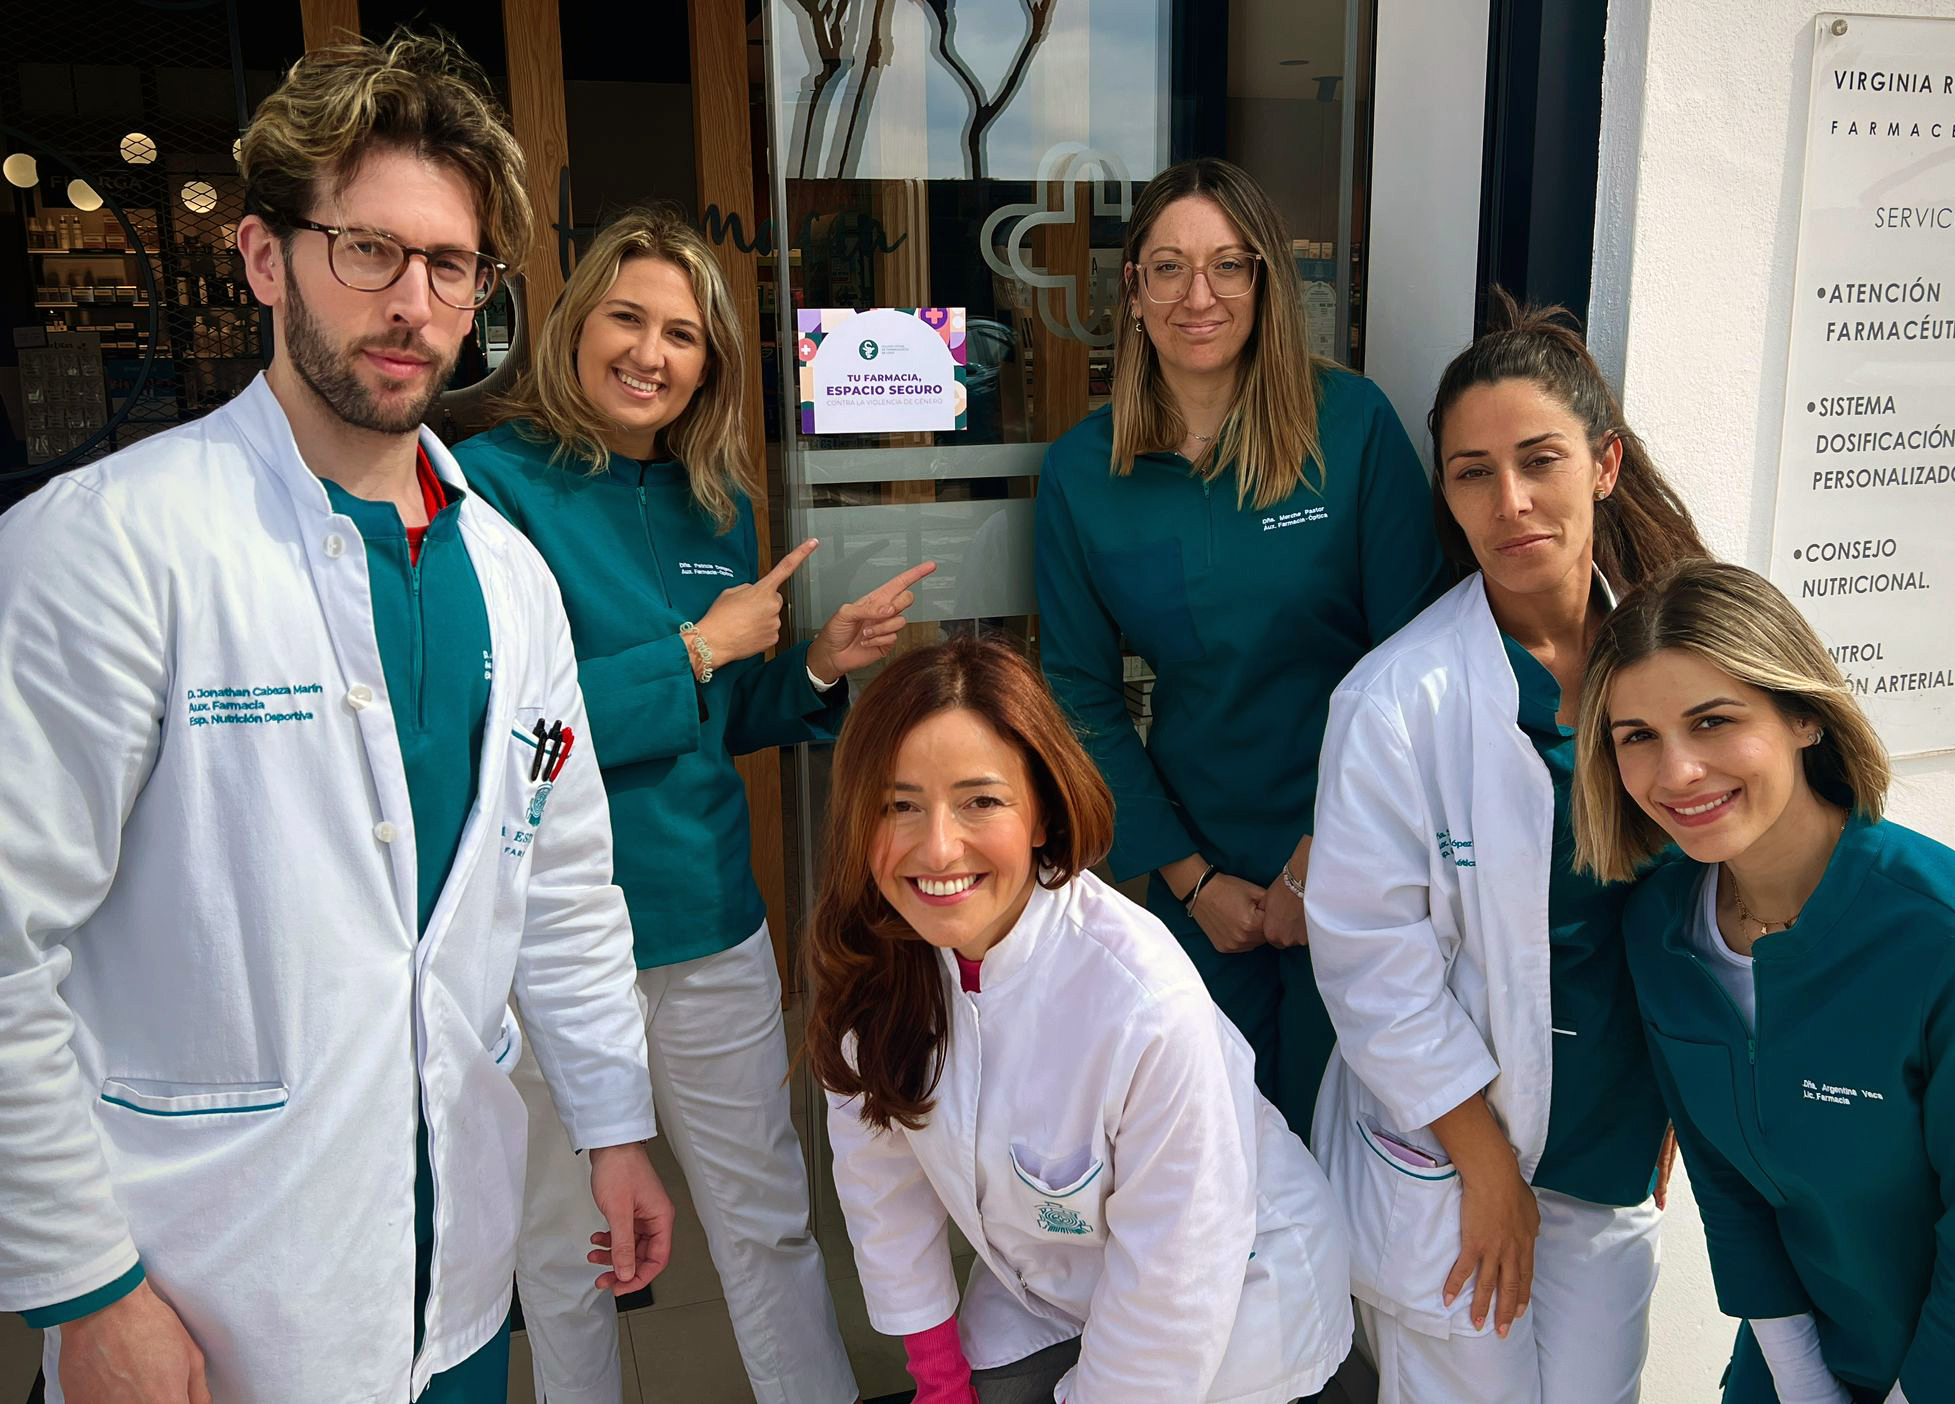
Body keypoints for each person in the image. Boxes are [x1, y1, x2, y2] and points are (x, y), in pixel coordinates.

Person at [0, 31, 671, 1404]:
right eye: (367, 250)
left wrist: (613, 1125)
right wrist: (85, 1288)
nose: (413, 303)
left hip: (456, 1289)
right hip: (203, 1295)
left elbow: (561, 887)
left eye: (451, 265)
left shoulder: (510, 578)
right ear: (264, 257)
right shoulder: (109, 547)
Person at [455, 204, 931, 1404]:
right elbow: (497, 736)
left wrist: (813, 665)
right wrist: (697, 651)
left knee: (765, 1221)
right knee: (567, 1247)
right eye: (627, 318)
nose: (649, 353)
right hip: (548, 939)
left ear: (709, 362)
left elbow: (717, 716)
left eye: (681, 334)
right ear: (574, 324)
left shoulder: (716, 501)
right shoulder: (488, 488)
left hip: (709, 921)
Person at [1305, 295, 1709, 1401]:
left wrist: (1689, 1084)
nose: (1510, 501)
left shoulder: (1680, 666)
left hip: (1612, 1139)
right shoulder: (1398, 700)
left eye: (1539, 461)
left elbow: (1719, 900)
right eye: (1472, 473)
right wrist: (1484, 1168)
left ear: (1605, 465)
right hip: (1455, 1154)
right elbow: (1370, 967)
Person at [806, 635, 1354, 1404]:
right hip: (1054, 1281)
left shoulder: (1142, 1003)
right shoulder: (875, 964)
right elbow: (882, 1183)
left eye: (980, 801)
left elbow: (1174, 1280)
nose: (938, 847)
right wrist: (938, 1382)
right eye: (900, 805)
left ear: (1041, 812)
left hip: (1237, 1287)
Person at [1034, 157, 1448, 1139]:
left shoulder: (1351, 428)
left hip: (1361, 848)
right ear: (1132, 291)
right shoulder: (1082, 472)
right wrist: (1190, 880)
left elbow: (1414, 657)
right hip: (1196, 862)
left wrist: (1317, 858)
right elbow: (1078, 693)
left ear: (1265, 283)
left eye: (1228, 265)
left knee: (1355, 1141)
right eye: (1168, 268)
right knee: (1212, 1146)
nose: (1199, 296)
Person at [1573, 560, 1955, 1404]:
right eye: (1637, 736)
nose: (1676, 772)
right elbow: (1726, 1181)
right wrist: (1799, 1379)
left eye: (1712, 721)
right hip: (1802, 1362)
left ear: (1804, 715)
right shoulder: (1658, 929)